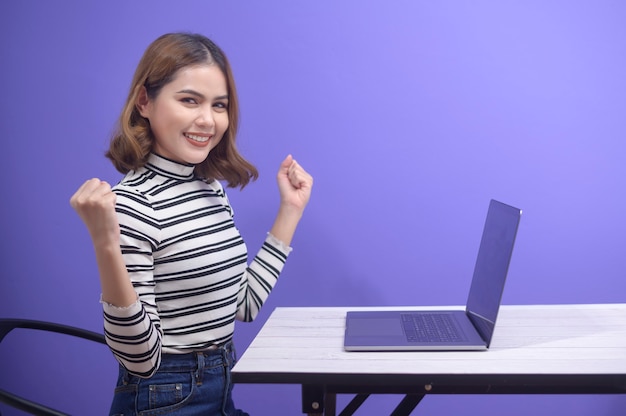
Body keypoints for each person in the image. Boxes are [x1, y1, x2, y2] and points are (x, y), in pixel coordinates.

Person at [70, 32, 313, 415]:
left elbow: (243, 305)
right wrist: (106, 243)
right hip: (163, 400)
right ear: (144, 101)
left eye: (220, 105)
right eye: (189, 100)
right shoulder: (133, 205)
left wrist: (291, 209)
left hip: (221, 385)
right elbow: (140, 360)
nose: (207, 120)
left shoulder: (210, 189)